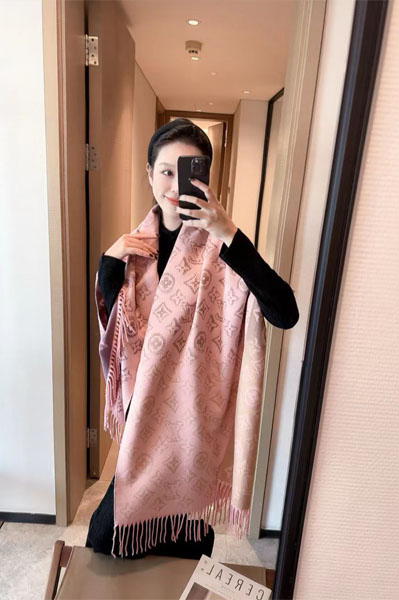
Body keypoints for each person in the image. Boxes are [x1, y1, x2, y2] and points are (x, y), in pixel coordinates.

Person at [86, 118, 299, 559]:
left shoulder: (223, 249)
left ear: (205, 178)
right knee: (106, 539)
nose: (173, 184)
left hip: (195, 421)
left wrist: (229, 234)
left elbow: (284, 312)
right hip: (142, 416)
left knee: (184, 537)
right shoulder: (134, 249)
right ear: (149, 173)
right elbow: (116, 330)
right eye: (166, 171)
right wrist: (110, 261)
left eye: (187, 172)